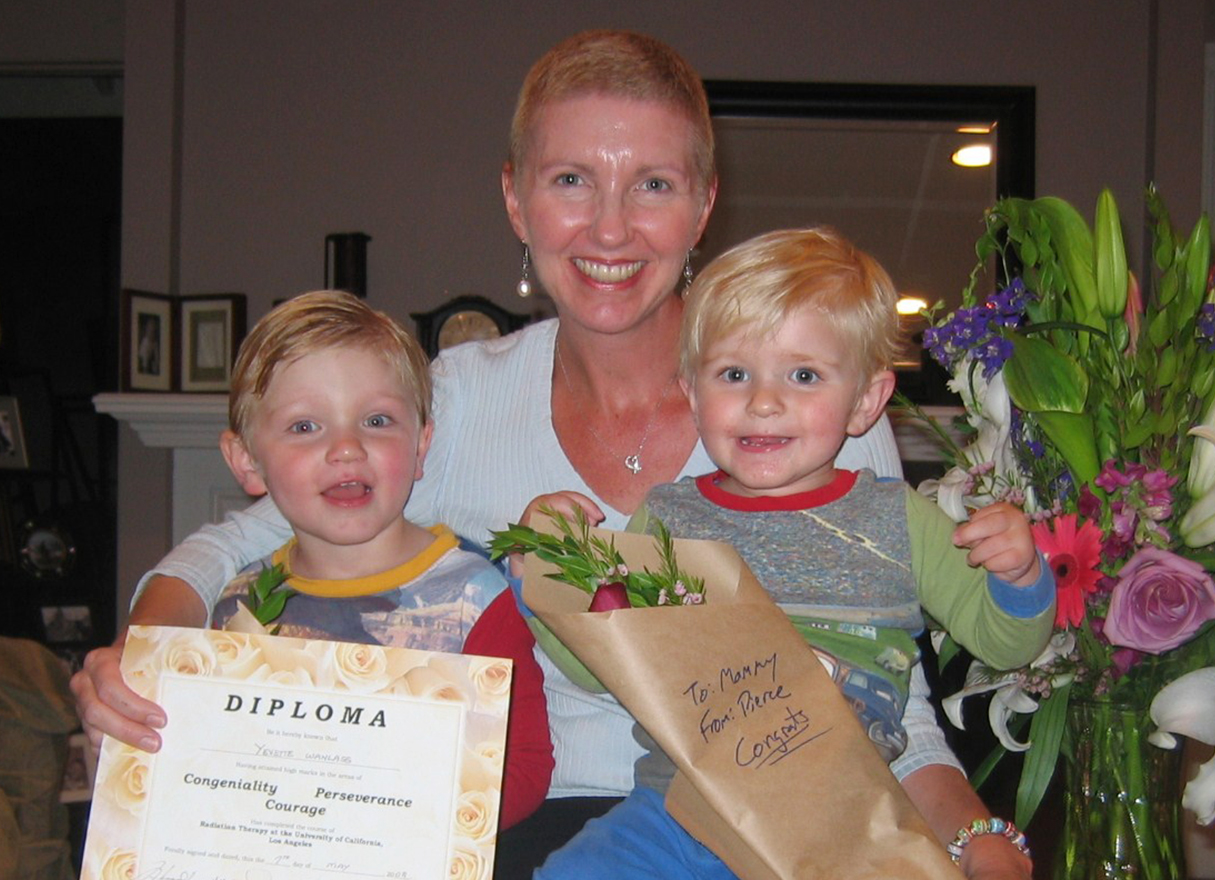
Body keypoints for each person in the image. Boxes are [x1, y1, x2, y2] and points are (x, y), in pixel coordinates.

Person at [71, 31, 1030, 879]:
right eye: (570, 180)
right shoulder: (451, 400)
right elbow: (235, 542)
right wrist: (142, 660)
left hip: (790, 825)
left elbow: (881, 698)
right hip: (528, 826)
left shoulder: (817, 409)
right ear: (516, 199)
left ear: (702, 205)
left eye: (652, 185)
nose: (609, 228)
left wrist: (979, 839)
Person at [527, 227, 1050, 879]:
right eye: (733, 373)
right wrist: (556, 571)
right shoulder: (666, 517)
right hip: (676, 812)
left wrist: (1019, 574)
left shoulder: (899, 519)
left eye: (803, 374)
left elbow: (1005, 645)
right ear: (691, 391)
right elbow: (601, 667)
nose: (763, 401)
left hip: (847, 823)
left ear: (865, 401)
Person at [215, 290, 553, 828]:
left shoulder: (474, 598)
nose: (346, 448)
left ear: (421, 448)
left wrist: (399, 824)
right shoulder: (240, 606)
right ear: (247, 461)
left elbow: (524, 770)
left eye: (376, 421)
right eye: (305, 427)